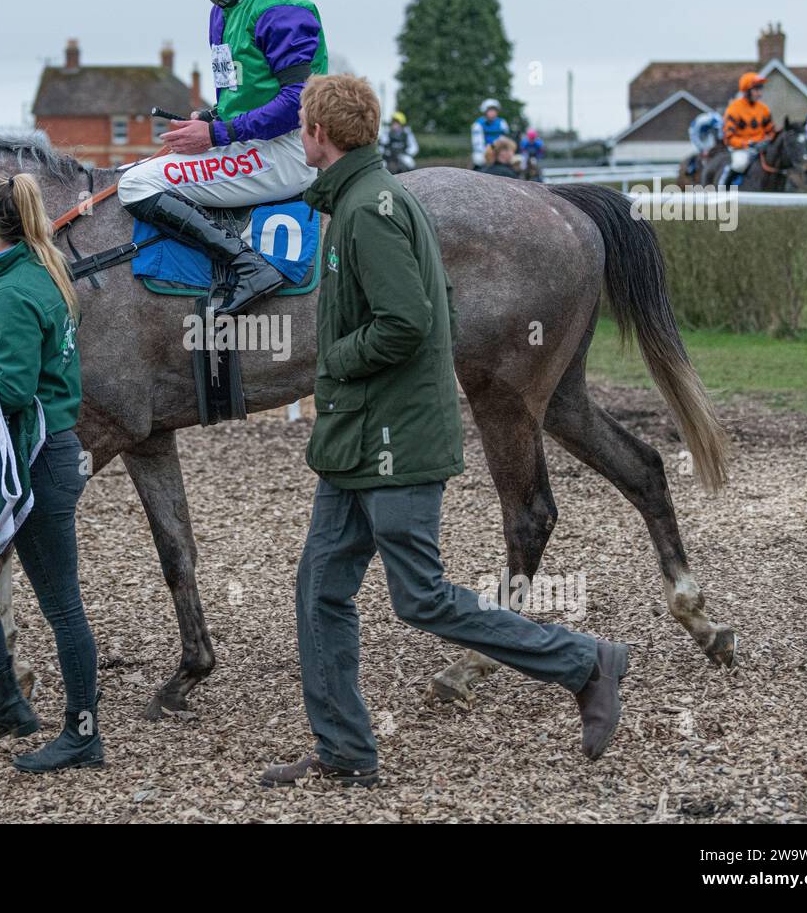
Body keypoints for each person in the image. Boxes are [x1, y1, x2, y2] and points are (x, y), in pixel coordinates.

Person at [260, 74, 630, 788]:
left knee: (419, 595)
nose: (298, 136)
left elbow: (407, 323)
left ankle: (587, 663)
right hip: (356, 440)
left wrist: (331, 359)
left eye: (302, 125)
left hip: (393, 439)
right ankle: (343, 750)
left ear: (318, 134)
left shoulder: (371, 211)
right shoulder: (361, 201)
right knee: (319, 589)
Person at [0, 172, 103, 773]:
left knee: (62, 605)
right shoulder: (42, 272)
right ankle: (9, 699)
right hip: (37, 454)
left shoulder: (11, 296)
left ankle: (83, 733)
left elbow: (12, 388)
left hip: (34, 461)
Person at [115, 0, 328, 316]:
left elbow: (297, 102)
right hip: (254, 144)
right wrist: (210, 117)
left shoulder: (280, 7)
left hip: (291, 151)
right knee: (123, 170)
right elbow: (243, 92)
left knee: (135, 184)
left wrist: (216, 133)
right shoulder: (222, 10)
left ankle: (249, 266)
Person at [720, 71, 775, 185]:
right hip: (741, 149)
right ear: (746, 91)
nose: (759, 93)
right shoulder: (734, 109)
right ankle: (723, 186)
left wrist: (767, 140)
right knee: (740, 164)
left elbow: (771, 131)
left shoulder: (764, 109)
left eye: (760, 89)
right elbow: (728, 138)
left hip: (761, 148)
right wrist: (748, 143)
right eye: (756, 89)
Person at [470, 99, 510, 170]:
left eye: (494, 110)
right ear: (485, 112)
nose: (492, 113)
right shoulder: (478, 124)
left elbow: (505, 139)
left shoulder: (502, 123)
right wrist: (489, 151)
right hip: (485, 149)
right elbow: (478, 143)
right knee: (479, 159)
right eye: (490, 110)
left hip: (499, 148)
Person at [686, 109, 723, 179]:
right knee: (697, 151)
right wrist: (702, 149)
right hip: (695, 133)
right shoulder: (701, 121)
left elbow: (720, 133)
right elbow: (695, 136)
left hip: (707, 133)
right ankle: (691, 167)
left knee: (711, 147)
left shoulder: (718, 119)